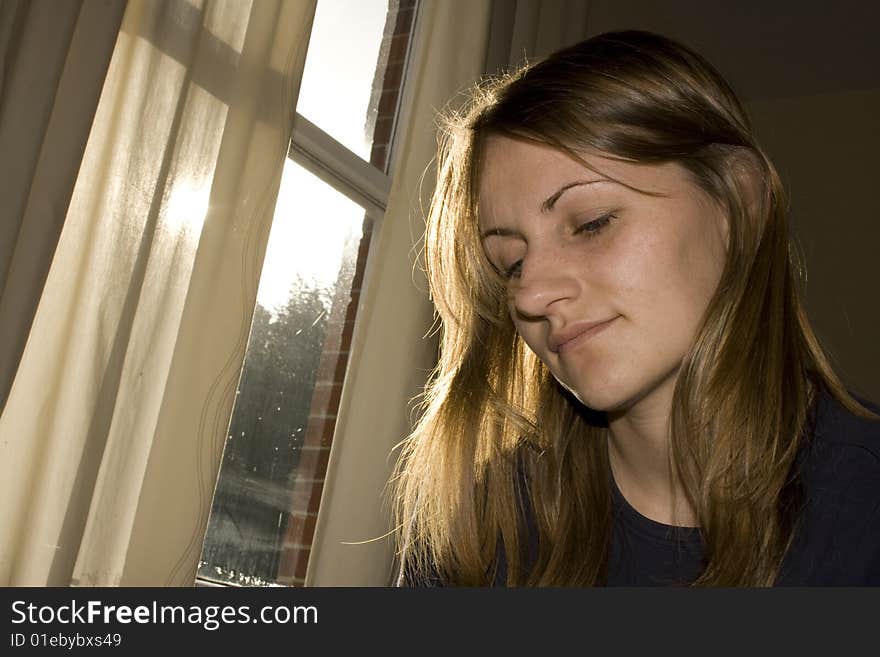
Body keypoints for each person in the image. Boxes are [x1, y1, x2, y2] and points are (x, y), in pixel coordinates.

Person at [391, 30, 880, 586]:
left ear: (739, 204)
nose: (529, 295)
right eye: (511, 264)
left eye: (592, 222)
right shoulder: (484, 530)